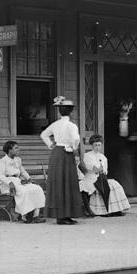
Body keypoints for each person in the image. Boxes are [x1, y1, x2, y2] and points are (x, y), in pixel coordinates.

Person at [40, 95, 84, 225]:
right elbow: (76, 139)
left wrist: (50, 144)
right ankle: (64, 216)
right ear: (71, 111)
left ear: (59, 111)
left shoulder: (56, 124)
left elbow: (43, 134)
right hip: (66, 153)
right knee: (68, 182)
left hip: (57, 153)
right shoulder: (71, 126)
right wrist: (74, 147)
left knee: (59, 183)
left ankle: (64, 216)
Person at [0, 140, 47, 223]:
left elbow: (22, 171)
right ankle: (25, 216)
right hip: (7, 184)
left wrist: (29, 179)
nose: (18, 150)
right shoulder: (2, 161)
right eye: (16, 148)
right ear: (9, 150)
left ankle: (35, 216)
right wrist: (10, 183)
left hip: (18, 181)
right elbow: (0, 176)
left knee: (37, 188)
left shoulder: (18, 160)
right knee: (24, 191)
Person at [80, 134, 131, 217]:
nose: (97, 147)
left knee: (115, 185)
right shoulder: (88, 155)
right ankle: (102, 211)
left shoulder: (103, 157)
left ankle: (115, 210)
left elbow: (105, 171)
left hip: (101, 178)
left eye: (99, 145)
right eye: (95, 145)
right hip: (91, 178)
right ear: (92, 145)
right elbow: (91, 167)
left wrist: (102, 170)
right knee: (98, 186)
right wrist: (97, 169)